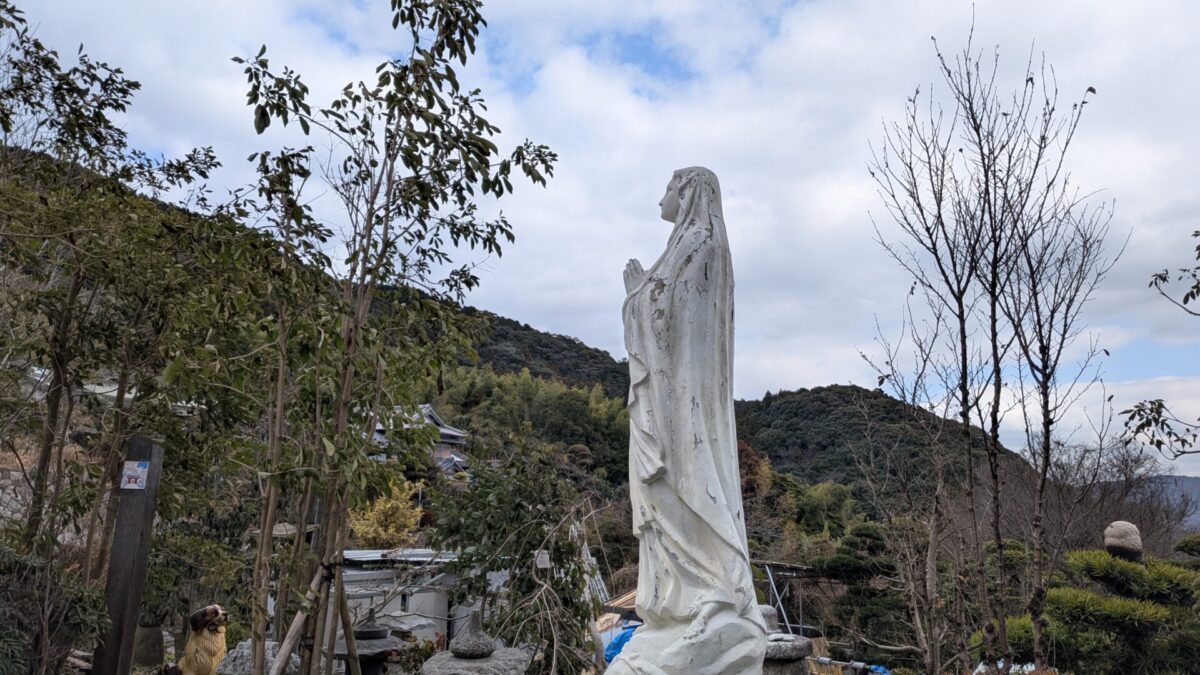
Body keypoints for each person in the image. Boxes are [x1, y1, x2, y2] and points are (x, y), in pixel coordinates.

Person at [612, 167, 765, 674]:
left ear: (687, 192)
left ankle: (714, 589)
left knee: (680, 486)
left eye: (668, 187)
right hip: (670, 396)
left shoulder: (700, 243)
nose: (661, 196)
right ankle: (684, 600)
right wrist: (642, 294)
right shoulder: (691, 245)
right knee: (661, 495)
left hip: (682, 403)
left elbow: (674, 318)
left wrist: (637, 295)